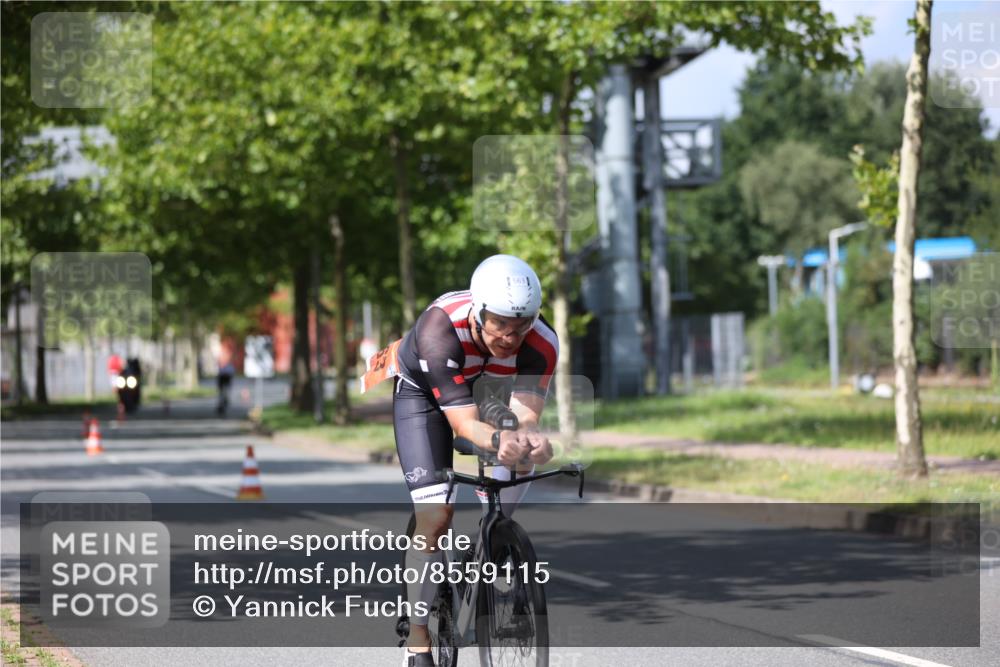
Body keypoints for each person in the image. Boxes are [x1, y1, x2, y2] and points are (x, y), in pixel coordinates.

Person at [365, 254, 558, 667]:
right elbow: (464, 425)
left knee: (520, 457)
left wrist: (530, 442)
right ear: (479, 311)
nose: (511, 336)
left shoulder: (541, 343)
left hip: (488, 387)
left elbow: (524, 417)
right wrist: (496, 439)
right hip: (426, 395)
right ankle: (418, 640)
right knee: (436, 514)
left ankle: (492, 544)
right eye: (501, 323)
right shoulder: (440, 330)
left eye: (522, 324)